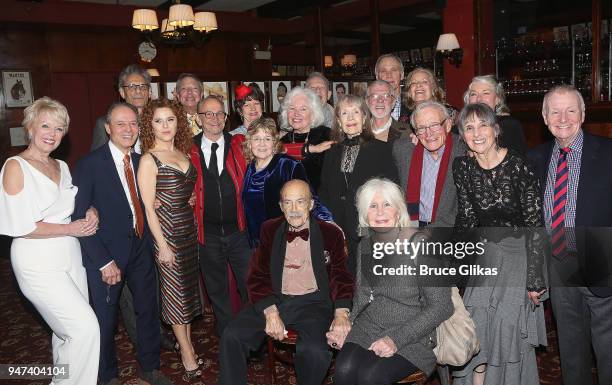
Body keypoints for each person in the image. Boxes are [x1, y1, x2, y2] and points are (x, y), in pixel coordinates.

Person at [0, 97, 100, 385]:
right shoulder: (15, 166)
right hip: (36, 262)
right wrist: (72, 230)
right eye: (45, 125)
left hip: (70, 257)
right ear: (29, 127)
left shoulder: (61, 167)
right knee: (85, 330)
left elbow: (69, 209)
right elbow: (21, 226)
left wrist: (89, 212)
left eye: (59, 129)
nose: (51, 133)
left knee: (65, 335)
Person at [218, 179, 354, 385]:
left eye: (300, 202)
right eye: (287, 203)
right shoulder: (269, 229)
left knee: (314, 352)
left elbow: (341, 277)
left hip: (313, 304)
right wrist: (270, 311)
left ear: (311, 204)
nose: (294, 209)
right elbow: (257, 275)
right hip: (276, 299)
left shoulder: (331, 233)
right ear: (281, 206)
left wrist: (341, 313)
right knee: (231, 336)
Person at [73, 102, 171, 385]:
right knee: (104, 320)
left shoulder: (142, 162)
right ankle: (107, 375)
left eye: (132, 124)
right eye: (120, 124)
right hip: (106, 254)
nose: (128, 130)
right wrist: (103, 261)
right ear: (107, 128)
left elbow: (145, 202)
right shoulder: (89, 164)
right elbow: (80, 216)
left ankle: (150, 367)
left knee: (148, 310)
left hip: (141, 247)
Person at [451, 103, 547, 385]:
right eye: (469, 127)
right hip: (486, 256)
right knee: (478, 329)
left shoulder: (518, 165)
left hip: (520, 257)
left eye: (483, 125)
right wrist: (451, 267)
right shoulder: (463, 167)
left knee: (507, 332)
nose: (476, 133)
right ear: (462, 135)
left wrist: (534, 279)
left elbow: (535, 225)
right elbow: (466, 219)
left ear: (495, 129)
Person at [528, 85, 612, 385]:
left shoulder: (608, 153)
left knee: (608, 353)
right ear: (544, 116)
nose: (563, 118)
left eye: (571, 110)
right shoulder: (534, 158)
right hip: (558, 265)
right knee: (571, 351)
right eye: (555, 111)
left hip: (602, 262)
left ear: (583, 114)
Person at [332, 178, 452, 385]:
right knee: (343, 371)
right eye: (372, 206)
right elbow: (362, 297)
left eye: (387, 204)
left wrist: (396, 339)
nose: (380, 212)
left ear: (399, 211)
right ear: (364, 214)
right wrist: (345, 324)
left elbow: (442, 306)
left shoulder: (422, 245)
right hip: (369, 326)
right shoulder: (366, 244)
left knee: (371, 377)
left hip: (412, 332)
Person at [137, 98, 202, 381]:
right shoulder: (148, 159)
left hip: (188, 231)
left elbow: (184, 188)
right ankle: (187, 353)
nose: (165, 126)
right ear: (149, 125)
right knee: (175, 297)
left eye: (170, 119)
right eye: (158, 121)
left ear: (179, 122)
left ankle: (184, 343)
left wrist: (190, 196)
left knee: (186, 293)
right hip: (167, 235)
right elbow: (148, 207)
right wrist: (162, 246)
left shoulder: (182, 152)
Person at [191, 95, 252, 336]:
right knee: (217, 290)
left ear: (226, 118)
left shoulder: (240, 143)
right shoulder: (187, 148)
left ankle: (251, 334)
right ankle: (229, 337)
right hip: (207, 235)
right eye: (208, 114)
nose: (214, 118)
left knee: (250, 286)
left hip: (240, 232)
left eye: (219, 114)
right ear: (199, 118)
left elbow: (271, 148)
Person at [319, 94, 399, 274]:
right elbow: (324, 189)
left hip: (368, 228)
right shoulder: (332, 151)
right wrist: (327, 222)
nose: (350, 118)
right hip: (337, 228)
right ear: (338, 121)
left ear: (364, 118)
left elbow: (393, 190)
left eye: (355, 112)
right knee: (341, 280)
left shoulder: (381, 149)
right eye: (344, 113)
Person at [242, 117, 332, 246]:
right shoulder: (249, 168)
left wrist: (328, 223)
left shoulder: (288, 165)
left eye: (267, 139)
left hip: (284, 241)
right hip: (256, 243)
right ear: (249, 143)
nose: (262, 144)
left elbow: (310, 198)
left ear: (274, 143)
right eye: (256, 139)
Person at [393, 100, 467, 228]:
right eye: (421, 128)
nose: (429, 133)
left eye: (434, 125)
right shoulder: (403, 150)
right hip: (411, 227)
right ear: (415, 131)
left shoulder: (464, 152)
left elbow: (466, 207)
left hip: (451, 232)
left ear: (448, 125)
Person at [279, 87, 334, 191]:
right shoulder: (283, 141)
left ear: (313, 113)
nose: (296, 113)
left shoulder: (326, 135)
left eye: (303, 109)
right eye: (292, 108)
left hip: (321, 200)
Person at [91, 64, 151, 151]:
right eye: (132, 87)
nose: (138, 91)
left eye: (143, 86)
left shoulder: (157, 122)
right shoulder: (105, 123)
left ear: (149, 92)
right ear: (122, 92)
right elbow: (97, 160)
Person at [464, 75, 528, 154]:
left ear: (497, 99)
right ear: (468, 100)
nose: (479, 99)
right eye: (473, 94)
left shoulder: (509, 126)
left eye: (486, 93)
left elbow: (519, 161)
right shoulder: (459, 128)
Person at [374, 53, 410, 129]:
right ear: (377, 77)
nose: (389, 75)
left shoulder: (413, 103)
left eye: (393, 70)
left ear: (402, 75)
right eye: (383, 71)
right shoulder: (367, 107)